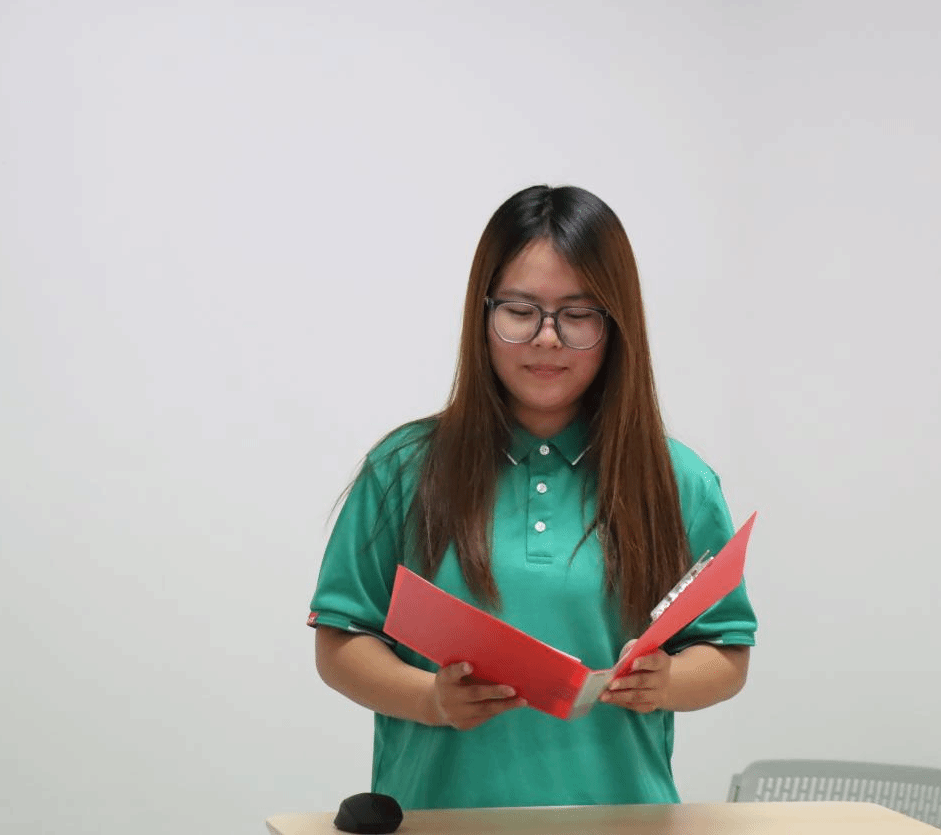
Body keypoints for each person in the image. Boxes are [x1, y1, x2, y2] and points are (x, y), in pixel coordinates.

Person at [308, 184, 757, 810]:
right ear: (482, 315)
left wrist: (669, 681)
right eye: (520, 310)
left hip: (623, 822)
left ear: (616, 325)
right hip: (439, 820)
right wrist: (431, 699)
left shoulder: (677, 480)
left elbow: (727, 652)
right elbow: (340, 643)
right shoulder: (403, 469)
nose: (548, 338)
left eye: (578, 314)